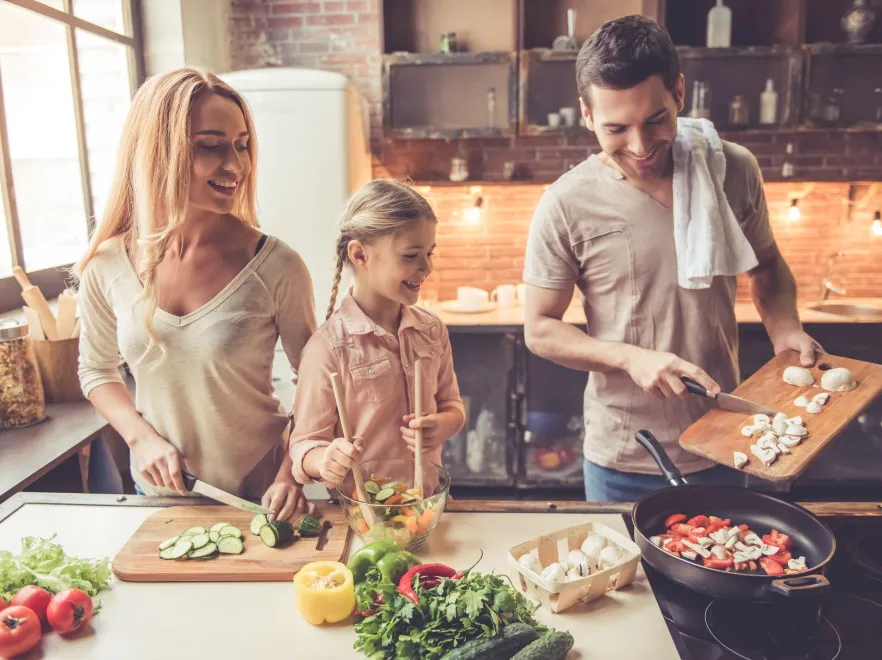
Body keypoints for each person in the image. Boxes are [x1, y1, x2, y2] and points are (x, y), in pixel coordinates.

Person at [522, 16, 818, 502]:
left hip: (726, 438)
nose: (640, 146)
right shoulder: (566, 202)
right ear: (587, 115)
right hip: (623, 453)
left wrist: (785, 330)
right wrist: (628, 357)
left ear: (679, 92)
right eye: (617, 128)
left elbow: (765, 265)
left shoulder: (732, 169)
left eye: (656, 119)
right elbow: (539, 328)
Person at [76, 68, 317, 521]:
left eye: (242, 145)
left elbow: (317, 383)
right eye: (210, 146)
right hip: (162, 492)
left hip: (263, 492)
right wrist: (140, 438)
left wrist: (291, 473)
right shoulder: (107, 263)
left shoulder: (277, 265)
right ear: (157, 153)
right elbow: (96, 370)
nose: (237, 166)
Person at [289, 179, 464, 490]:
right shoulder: (327, 348)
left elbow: (453, 404)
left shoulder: (432, 331)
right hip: (364, 516)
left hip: (428, 504)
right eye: (411, 256)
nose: (426, 267)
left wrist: (445, 424)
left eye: (429, 253)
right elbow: (303, 446)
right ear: (360, 255)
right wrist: (325, 459)